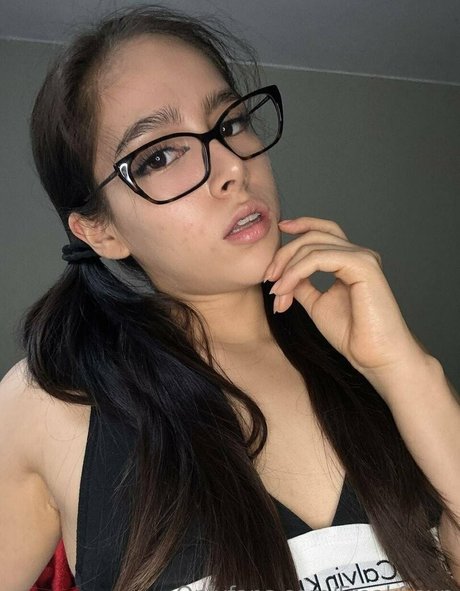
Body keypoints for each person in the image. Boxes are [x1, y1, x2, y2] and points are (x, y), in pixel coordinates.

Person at [0, 5, 459, 591]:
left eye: (230, 123)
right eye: (160, 156)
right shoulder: (50, 401)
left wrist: (405, 369)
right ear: (100, 230)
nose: (232, 168)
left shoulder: (369, 358)